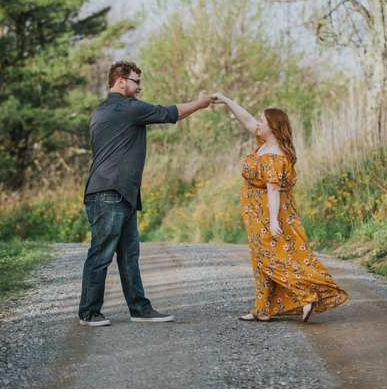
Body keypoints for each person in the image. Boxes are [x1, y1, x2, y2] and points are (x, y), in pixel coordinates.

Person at [79, 61, 217, 326]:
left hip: (120, 194)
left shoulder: (100, 111)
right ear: (120, 82)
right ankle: (88, 311)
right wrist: (200, 103)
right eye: (136, 81)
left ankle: (140, 309)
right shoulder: (126, 108)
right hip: (109, 193)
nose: (140, 87)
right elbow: (169, 113)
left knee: (129, 254)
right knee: (101, 254)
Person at [210, 93, 348, 322]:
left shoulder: (274, 155)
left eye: (262, 121)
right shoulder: (266, 144)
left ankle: (306, 296)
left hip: (268, 214)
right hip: (257, 214)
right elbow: (246, 119)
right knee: (262, 258)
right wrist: (225, 100)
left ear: (272, 127)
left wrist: (273, 221)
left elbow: (273, 190)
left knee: (271, 259)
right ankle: (263, 309)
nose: (258, 123)